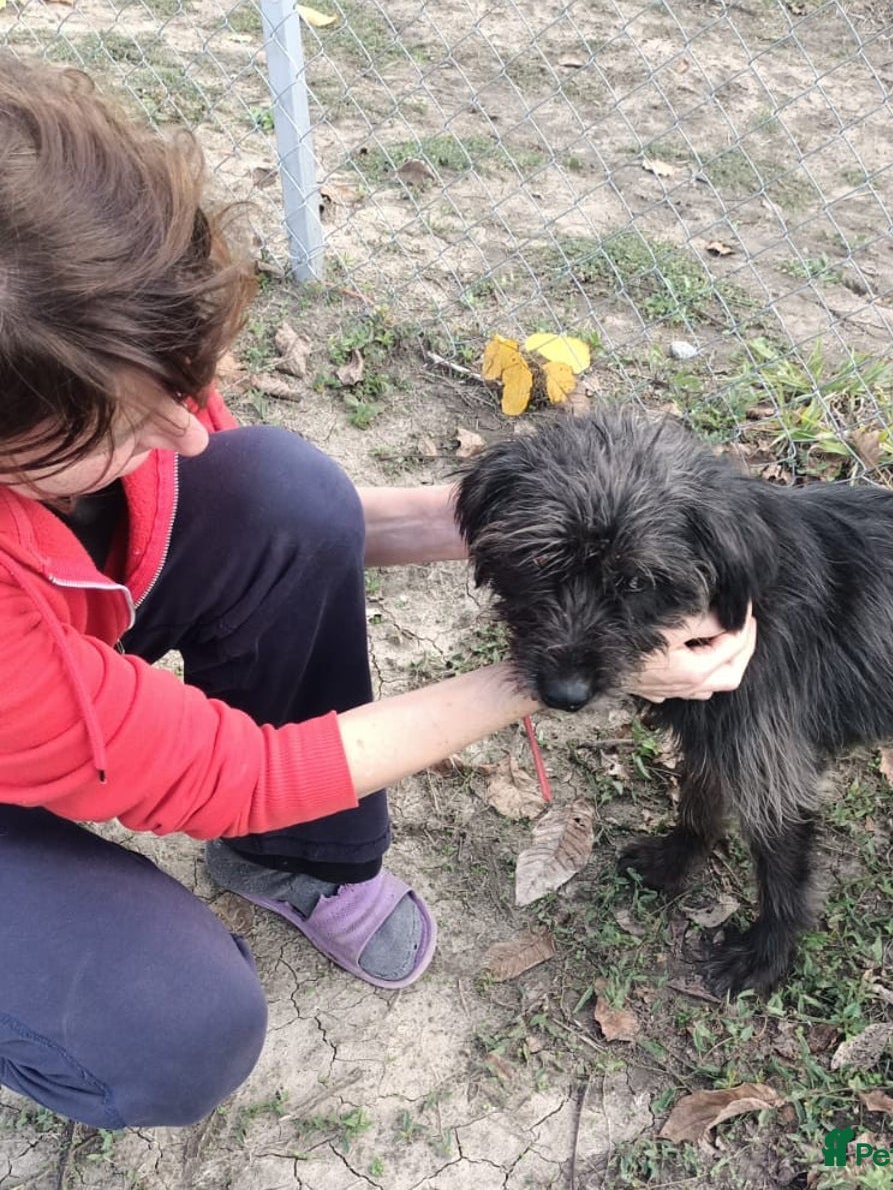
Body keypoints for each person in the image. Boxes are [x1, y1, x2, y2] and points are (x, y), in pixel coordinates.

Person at [0, 55, 757, 1131]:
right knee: (172, 1025)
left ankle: (297, 867)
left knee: (282, 489)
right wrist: (559, 671)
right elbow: (237, 772)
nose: (183, 432)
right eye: (119, 427)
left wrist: (564, 524)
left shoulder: (73, 334)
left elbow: (289, 502)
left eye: (182, 380)